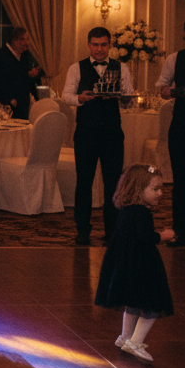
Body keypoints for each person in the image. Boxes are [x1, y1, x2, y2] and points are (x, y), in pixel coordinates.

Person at [94, 164, 175, 363]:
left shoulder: (126, 210)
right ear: (139, 190)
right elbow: (145, 237)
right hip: (142, 265)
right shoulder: (142, 213)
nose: (160, 193)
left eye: (160, 188)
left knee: (133, 302)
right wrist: (164, 235)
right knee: (153, 304)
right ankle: (135, 342)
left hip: (127, 264)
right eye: (155, 189)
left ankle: (125, 337)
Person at [61, 26, 134, 245]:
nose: (99, 49)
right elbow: (66, 95)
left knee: (114, 183)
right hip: (86, 133)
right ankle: (83, 231)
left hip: (112, 133)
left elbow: (129, 99)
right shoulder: (77, 68)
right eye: (95, 44)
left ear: (109, 45)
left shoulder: (121, 68)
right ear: (88, 44)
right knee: (84, 182)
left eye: (103, 45)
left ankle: (113, 231)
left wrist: (123, 98)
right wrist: (80, 99)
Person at [155, 19, 185, 246]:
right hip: (182, 124)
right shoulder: (175, 59)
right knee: (181, 181)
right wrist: (175, 91)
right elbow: (163, 90)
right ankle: (181, 231)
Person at [0, 27, 43, 120]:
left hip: (23, 106)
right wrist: (8, 99)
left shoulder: (26, 56)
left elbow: (29, 77)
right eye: (23, 39)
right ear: (14, 40)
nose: (26, 43)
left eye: (27, 39)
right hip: (4, 106)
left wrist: (32, 75)